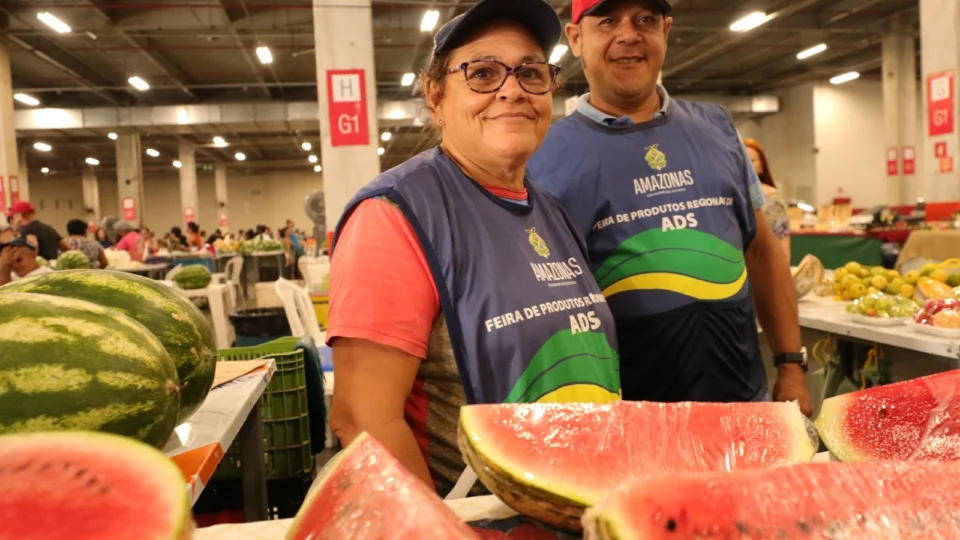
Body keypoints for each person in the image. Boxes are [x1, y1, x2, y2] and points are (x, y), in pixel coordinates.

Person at [327, 0, 620, 494]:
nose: (512, 90)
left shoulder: (550, 209)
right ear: (436, 97)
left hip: (575, 506)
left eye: (531, 72)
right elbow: (361, 421)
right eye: (483, 73)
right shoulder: (395, 215)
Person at [527, 0, 811, 415]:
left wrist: (791, 363)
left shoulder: (717, 128)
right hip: (627, 419)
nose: (629, 34)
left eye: (646, 20)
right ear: (575, 39)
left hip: (742, 400)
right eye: (608, 21)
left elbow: (761, 252)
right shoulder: (543, 156)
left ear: (666, 31)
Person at [744, 138, 791, 265]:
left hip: (764, 267)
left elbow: (782, 240)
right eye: (743, 161)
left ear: (762, 166)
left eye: (752, 161)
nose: (747, 166)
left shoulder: (773, 198)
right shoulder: (729, 196)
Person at [6, 201, 70, 261]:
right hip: (52, 269)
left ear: (19, 215)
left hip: (39, 270)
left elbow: (33, 249)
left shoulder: (26, 229)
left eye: (12, 217)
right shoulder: (49, 228)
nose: (12, 221)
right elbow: (68, 249)